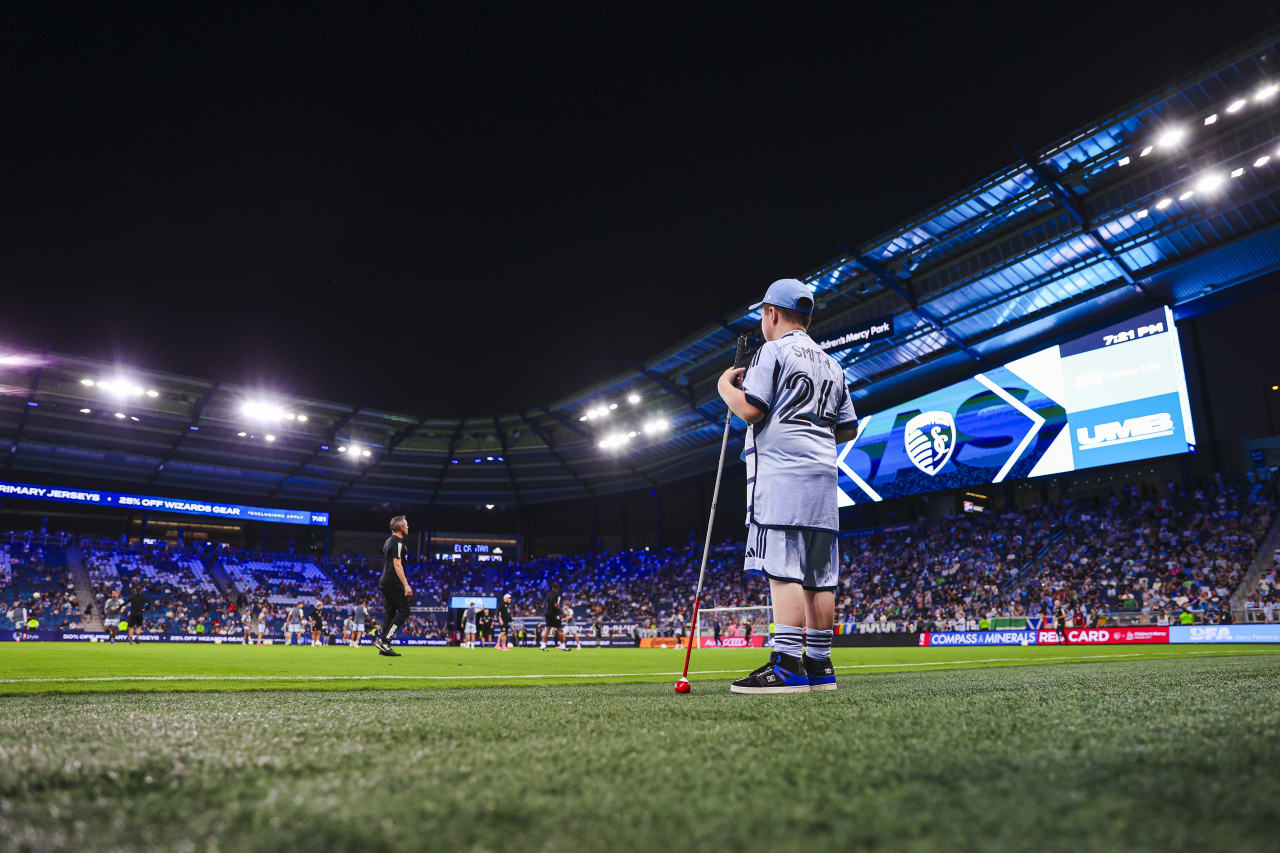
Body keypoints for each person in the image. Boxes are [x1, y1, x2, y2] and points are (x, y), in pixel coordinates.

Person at [717, 279, 858, 693]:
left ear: (771, 314)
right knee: (819, 576)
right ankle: (818, 664)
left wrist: (725, 385)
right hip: (823, 479)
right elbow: (847, 428)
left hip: (782, 478)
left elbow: (750, 409)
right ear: (807, 318)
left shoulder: (772, 351)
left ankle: (786, 666)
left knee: (784, 572)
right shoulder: (833, 363)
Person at [374, 516, 413, 657]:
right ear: (401, 527)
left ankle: (384, 649)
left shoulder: (388, 541)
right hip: (393, 581)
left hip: (385, 580)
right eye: (406, 525)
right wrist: (406, 585)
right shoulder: (397, 542)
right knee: (404, 611)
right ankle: (385, 642)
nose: (408, 527)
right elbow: (397, 564)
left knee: (390, 613)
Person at [541, 584, 566, 651]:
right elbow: (556, 605)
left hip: (548, 613)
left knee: (547, 630)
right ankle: (563, 646)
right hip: (554, 614)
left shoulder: (548, 595)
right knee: (559, 629)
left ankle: (543, 646)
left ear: (552, 588)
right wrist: (562, 613)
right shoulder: (557, 595)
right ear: (557, 588)